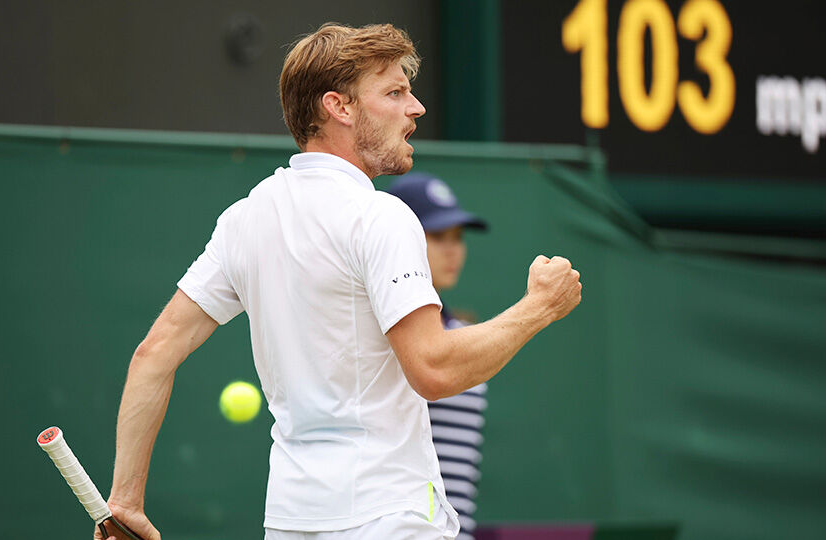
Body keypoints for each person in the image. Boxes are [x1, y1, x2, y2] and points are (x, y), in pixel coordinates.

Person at [96, 22, 581, 540]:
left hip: (291, 524)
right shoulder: (382, 217)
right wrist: (539, 307)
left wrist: (124, 500)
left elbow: (154, 354)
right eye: (394, 92)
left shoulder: (245, 218)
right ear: (339, 107)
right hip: (390, 521)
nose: (415, 108)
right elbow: (434, 371)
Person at [387, 173, 489, 540]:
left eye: (458, 238)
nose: (453, 250)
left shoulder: (460, 330)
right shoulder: (380, 334)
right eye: (437, 236)